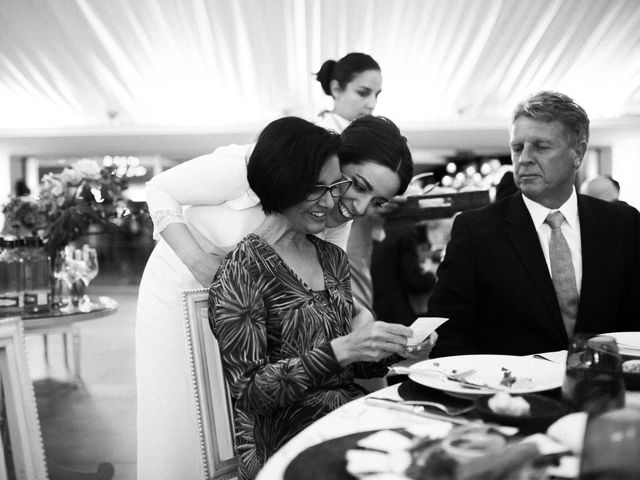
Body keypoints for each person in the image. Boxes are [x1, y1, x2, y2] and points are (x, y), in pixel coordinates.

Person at [135, 115, 419, 479]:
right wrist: (204, 265)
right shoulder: (250, 169)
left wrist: (382, 339)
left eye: (377, 201)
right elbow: (160, 189)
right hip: (182, 279)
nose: (359, 207)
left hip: (261, 329)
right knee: (179, 416)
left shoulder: (327, 229)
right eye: (357, 185)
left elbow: (323, 297)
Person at [428, 91, 640, 358]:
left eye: (541, 147)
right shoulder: (476, 230)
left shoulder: (622, 224)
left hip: (602, 390)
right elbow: (447, 332)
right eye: (517, 148)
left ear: (578, 152)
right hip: (510, 393)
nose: (524, 158)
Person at [314, 52, 384, 318]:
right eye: (364, 93)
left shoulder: (364, 136)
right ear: (335, 89)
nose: (372, 104)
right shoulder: (322, 133)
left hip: (359, 234)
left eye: (377, 95)